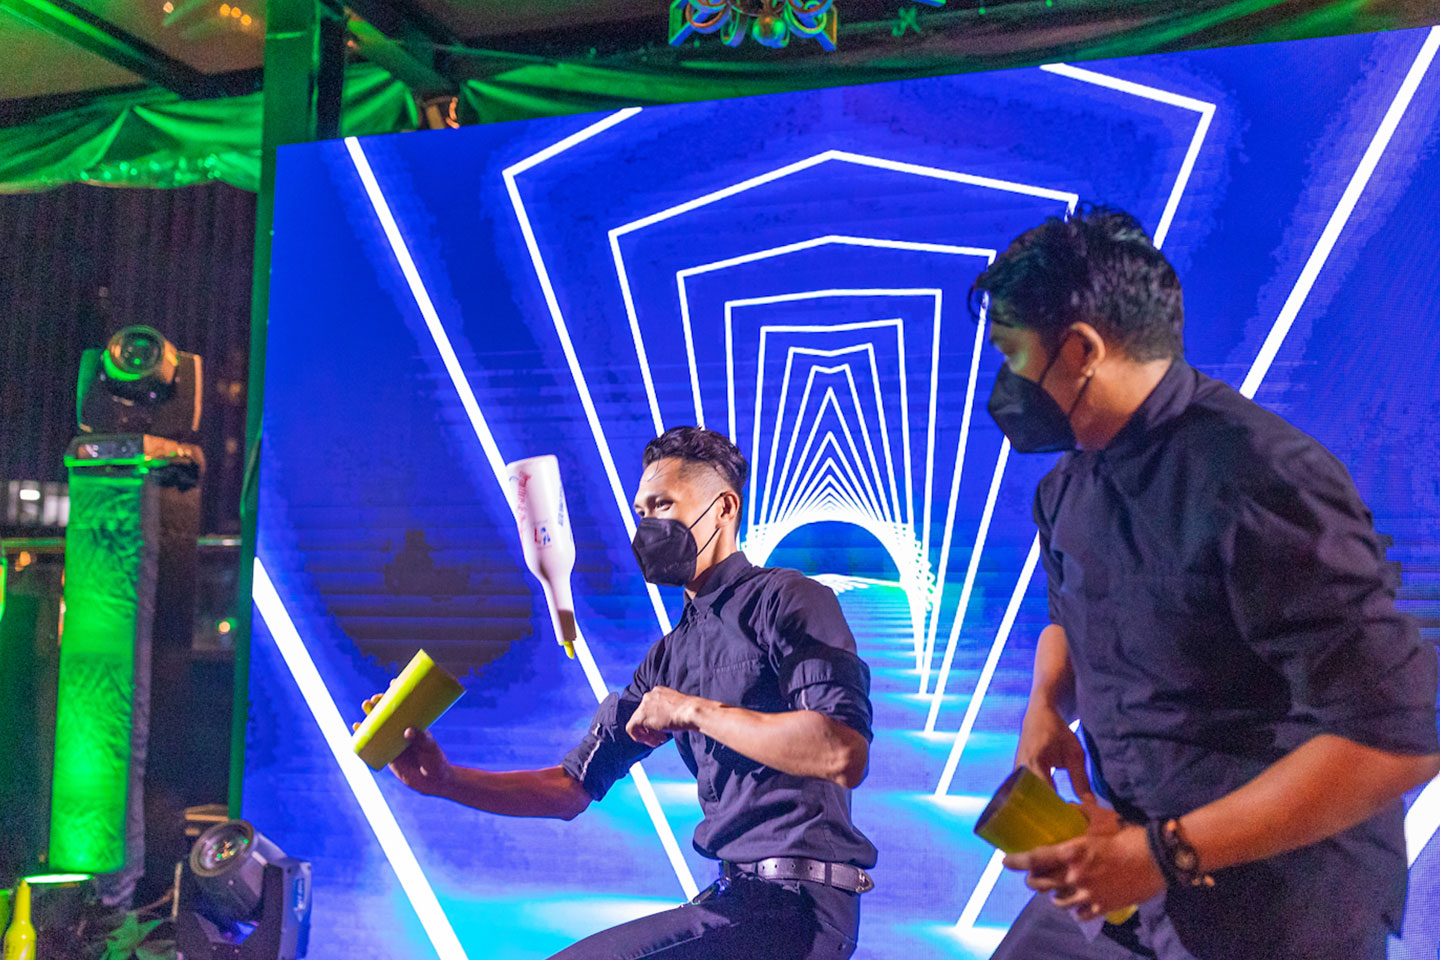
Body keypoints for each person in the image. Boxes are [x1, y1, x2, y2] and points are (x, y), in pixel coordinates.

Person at [973, 206, 1440, 960]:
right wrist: (1045, 706)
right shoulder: (1067, 487)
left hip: (1282, 904)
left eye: (1013, 355)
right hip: (1135, 869)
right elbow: (1067, 607)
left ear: (1082, 349)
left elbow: (1397, 738)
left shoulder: (1260, 479)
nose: (1007, 384)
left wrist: (1163, 854)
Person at [358, 427, 876, 959]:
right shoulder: (669, 657)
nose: (649, 526)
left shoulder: (790, 599)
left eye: (664, 505)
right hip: (736, 902)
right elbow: (571, 788)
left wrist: (693, 711)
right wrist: (445, 781)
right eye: (641, 511)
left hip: (798, 910)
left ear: (724, 508)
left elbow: (841, 750)